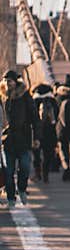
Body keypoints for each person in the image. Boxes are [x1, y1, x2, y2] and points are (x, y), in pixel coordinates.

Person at [1, 69, 37, 206]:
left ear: (15, 82)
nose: (6, 83)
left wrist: (37, 137)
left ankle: (21, 189)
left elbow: (34, 118)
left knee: (25, 167)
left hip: (23, 139)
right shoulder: (2, 97)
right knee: (8, 173)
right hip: (7, 141)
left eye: (9, 81)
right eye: (4, 81)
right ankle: (11, 197)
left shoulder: (25, 97)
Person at [31, 83, 59, 184]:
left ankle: (37, 173)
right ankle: (45, 174)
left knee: (36, 154)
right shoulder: (53, 101)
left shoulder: (34, 101)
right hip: (50, 131)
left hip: (37, 131)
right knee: (48, 154)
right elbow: (57, 115)